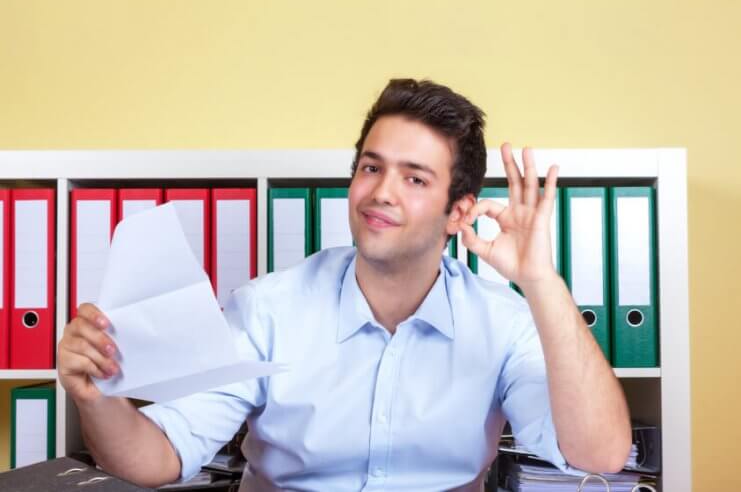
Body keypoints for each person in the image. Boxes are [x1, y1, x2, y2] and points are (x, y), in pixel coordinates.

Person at [58, 79, 632, 491]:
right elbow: (160, 456)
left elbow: (599, 454)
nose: (381, 191)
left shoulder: (502, 323)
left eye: (414, 178)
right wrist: (95, 397)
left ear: (458, 213)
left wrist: (540, 281)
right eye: (371, 167)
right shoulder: (268, 309)